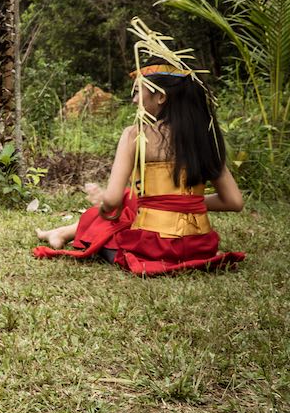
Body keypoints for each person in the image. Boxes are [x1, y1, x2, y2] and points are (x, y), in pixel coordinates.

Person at [33, 59, 245, 276]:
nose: (134, 100)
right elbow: (234, 201)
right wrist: (185, 204)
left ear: (161, 96)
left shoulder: (135, 135)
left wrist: (103, 203)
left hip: (153, 248)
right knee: (131, 199)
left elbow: (112, 200)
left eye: (138, 93)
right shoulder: (205, 138)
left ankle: (60, 233)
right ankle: (59, 232)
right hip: (198, 248)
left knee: (110, 221)